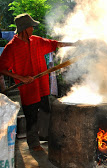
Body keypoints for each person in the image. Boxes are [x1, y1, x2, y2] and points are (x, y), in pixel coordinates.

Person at [0, 13, 78, 151]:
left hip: (42, 86)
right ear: (24, 29)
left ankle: (46, 137)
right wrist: (21, 77)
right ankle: (34, 143)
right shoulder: (11, 48)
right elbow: (2, 68)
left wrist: (74, 44)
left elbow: (55, 44)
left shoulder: (36, 41)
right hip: (28, 89)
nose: (33, 29)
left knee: (45, 112)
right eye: (31, 27)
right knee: (31, 117)